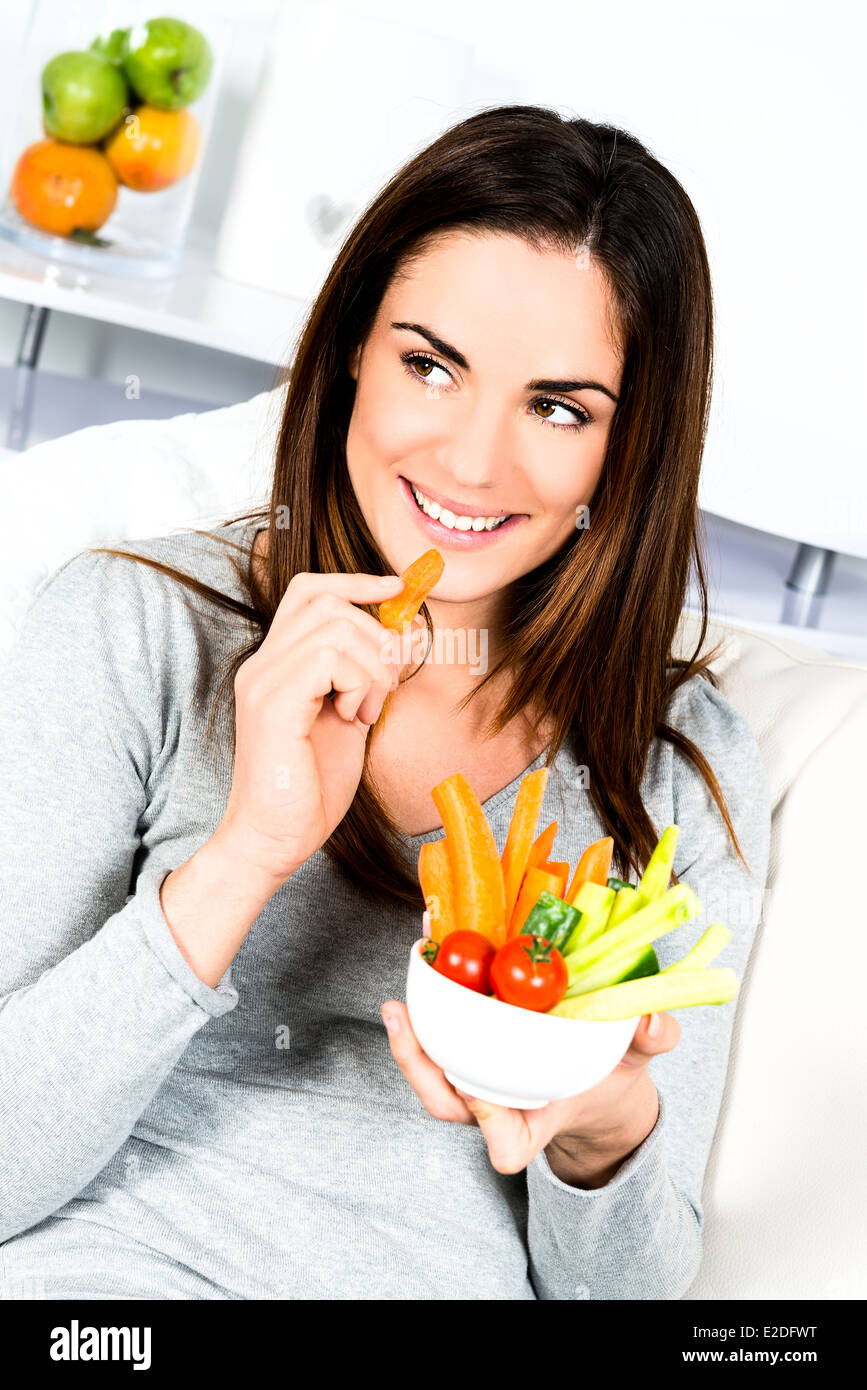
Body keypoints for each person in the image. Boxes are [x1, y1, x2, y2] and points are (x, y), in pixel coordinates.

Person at [0, 105, 769, 1300]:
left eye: (557, 407)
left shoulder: (675, 765)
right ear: (352, 348)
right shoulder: (136, 625)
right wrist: (246, 852)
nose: (471, 463)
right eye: (429, 364)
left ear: (629, 452)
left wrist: (603, 1134)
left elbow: (629, 1300)